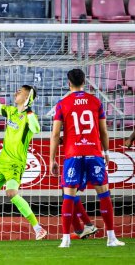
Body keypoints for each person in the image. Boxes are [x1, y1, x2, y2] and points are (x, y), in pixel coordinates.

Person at [50, 68, 125, 248]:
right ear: (84, 81)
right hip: (94, 153)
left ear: (69, 83)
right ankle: (111, 238)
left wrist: (52, 159)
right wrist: (106, 153)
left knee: (69, 196)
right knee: (104, 194)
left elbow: (54, 134)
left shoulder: (62, 104)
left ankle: (66, 239)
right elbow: (103, 131)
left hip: (73, 154)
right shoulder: (95, 101)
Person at [0, 66, 47, 241]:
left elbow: (36, 128)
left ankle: (37, 228)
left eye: (19, 92)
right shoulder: (11, 112)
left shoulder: (30, 116)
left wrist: (28, 110)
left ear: (27, 97)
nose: (15, 94)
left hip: (15, 164)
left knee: (11, 193)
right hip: (1, 161)